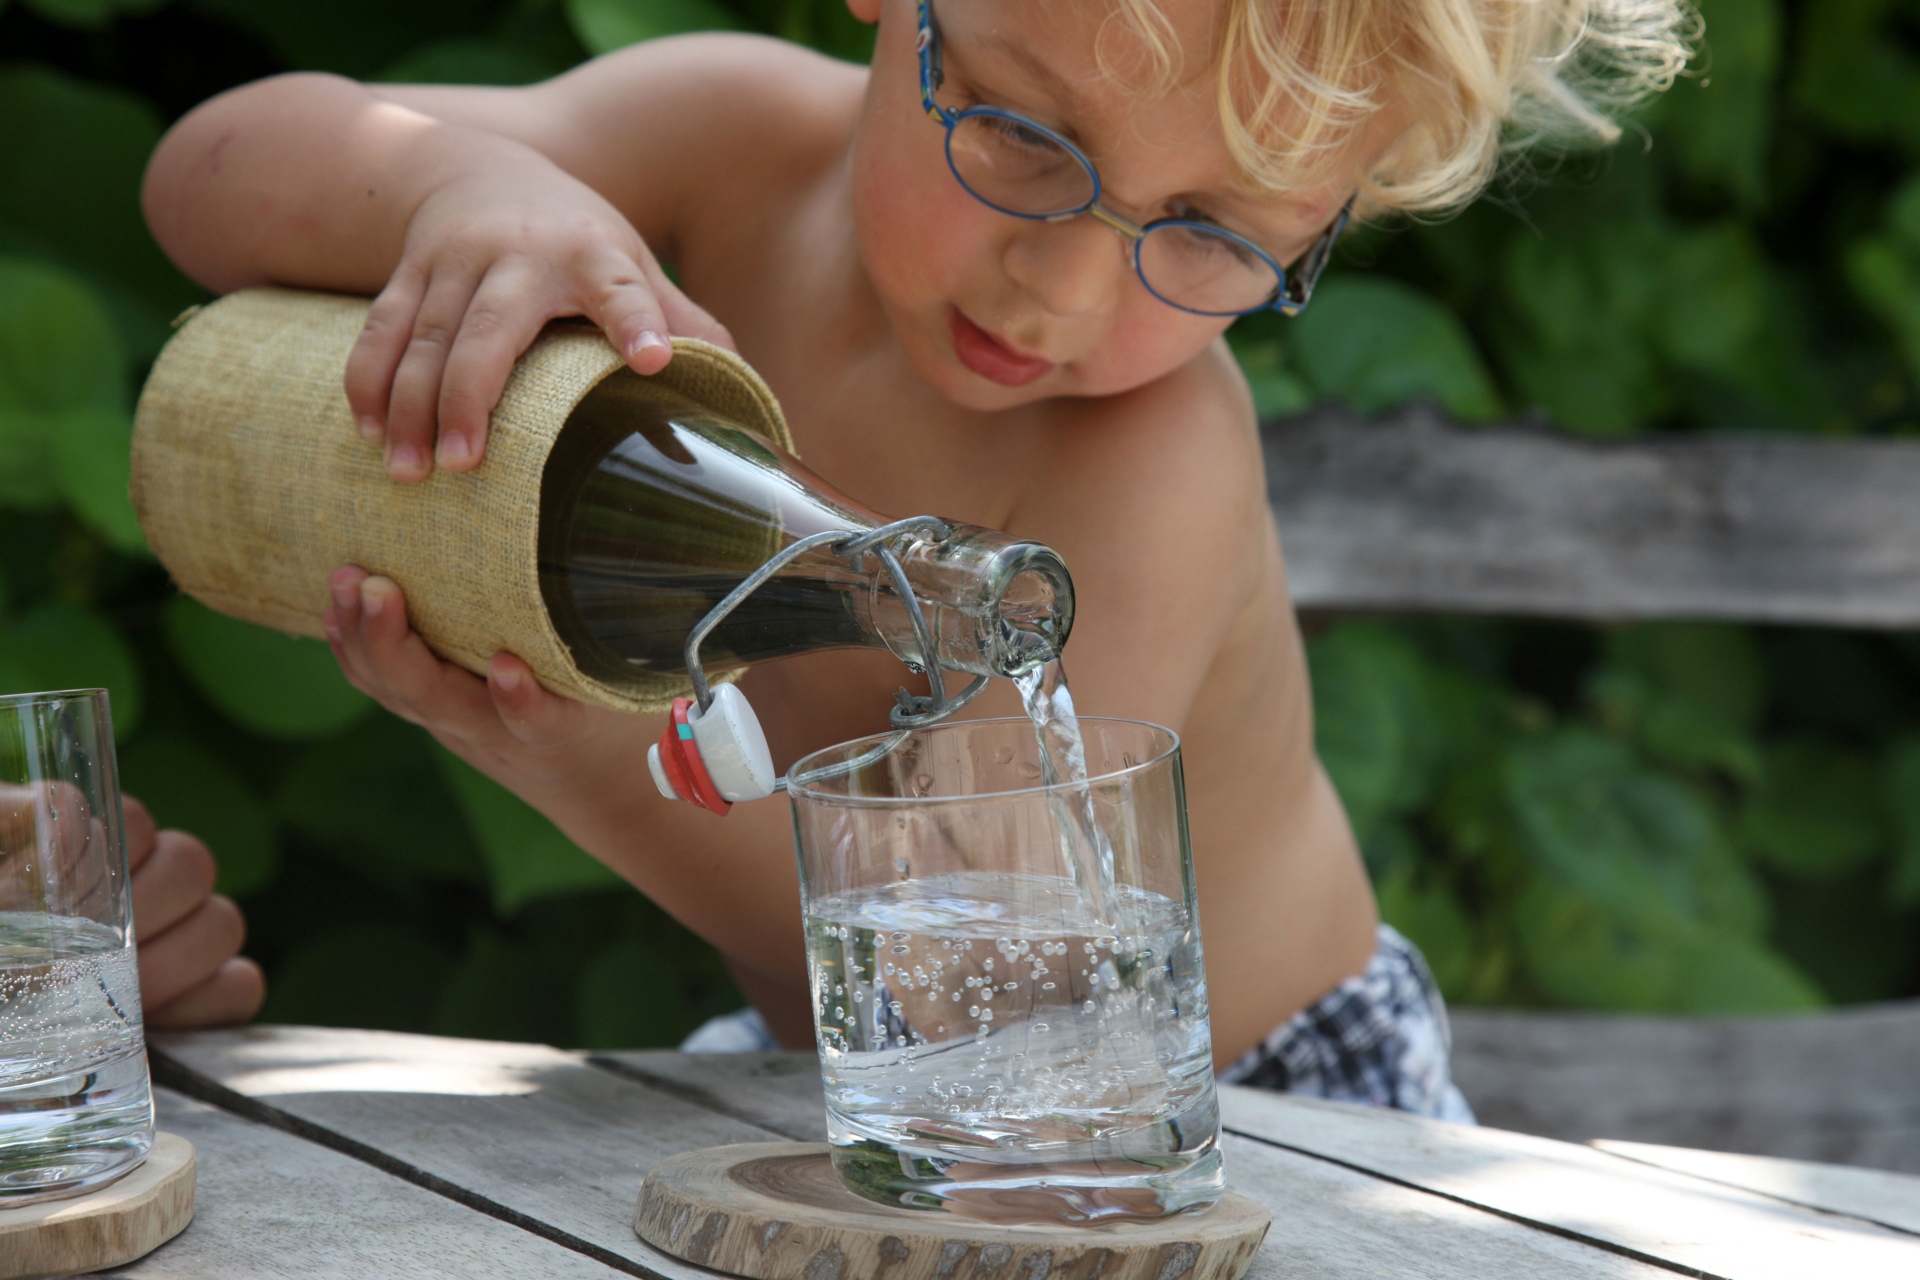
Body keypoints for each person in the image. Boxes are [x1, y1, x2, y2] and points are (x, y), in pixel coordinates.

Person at [140, 0, 1688, 1115]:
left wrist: (584, 767)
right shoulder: (734, 138)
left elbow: (960, 985)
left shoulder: (1154, 459)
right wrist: (457, 186)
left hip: (1242, 1097)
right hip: (850, 1067)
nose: (1064, 288)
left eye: (1216, 231)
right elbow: (206, 182)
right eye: (1020, 135)